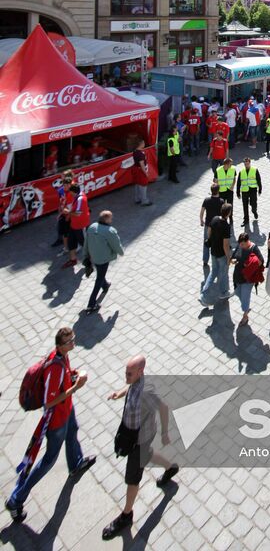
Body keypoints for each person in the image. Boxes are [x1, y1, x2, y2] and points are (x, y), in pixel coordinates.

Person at [5, 327, 96, 522]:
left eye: (73, 338)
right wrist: (75, 387)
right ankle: (16, 499)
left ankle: (76, 463)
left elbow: (66, 373)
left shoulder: (61, 356)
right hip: (56, 419)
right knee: (48, 460)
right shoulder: (54, 368)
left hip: (66, 410)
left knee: (73, 432)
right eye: (70, 341)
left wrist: (75, 373)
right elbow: (49, 401)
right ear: (60, 345)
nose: (74, 342)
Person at [102, 355, 179, 539]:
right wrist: (119, 394)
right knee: (149, 455)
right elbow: (129, 388)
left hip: (140, 440)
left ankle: (126, 515)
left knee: (132, 478)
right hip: (136, 437)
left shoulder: (146, 392)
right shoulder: (135, 382)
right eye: (126, 373)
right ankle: (171, 468)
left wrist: (165, 434)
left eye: (129, 373)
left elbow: (164, 408)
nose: (126, 376)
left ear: (140, 372)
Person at [84, 210, 124, 313]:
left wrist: (86, 255)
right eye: (111, 218)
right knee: (99, 278)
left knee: (101, 273)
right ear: (106, 219)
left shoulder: (92, 227)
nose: (112, 219)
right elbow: (116, 244)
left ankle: (105, 285)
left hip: (94, 256)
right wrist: (121, 252)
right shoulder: (110, 230)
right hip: (103, 258)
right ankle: (91, 304)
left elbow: (86, 242)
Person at [199, 203, 232, 306]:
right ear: (228, 213)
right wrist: (228, 257)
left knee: (213, 272)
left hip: (213, 251)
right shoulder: (226, 226)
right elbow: (225, 245)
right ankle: (224, 292)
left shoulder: (214, 219)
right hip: (221, 254)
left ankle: (203, 294)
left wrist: (212, 240)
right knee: (223, 273)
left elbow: (209, 232)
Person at [230, 231, 265, 325]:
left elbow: (261, 261)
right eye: (240, 244)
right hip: (237, 276)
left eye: (243, 244)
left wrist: (250, 264)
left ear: (248, 241)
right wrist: (233, 260)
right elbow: (234, 256)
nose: (241, 246)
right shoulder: (240, 245)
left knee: (245, 297)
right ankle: (246, 307)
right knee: (237, 293)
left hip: (248, 279)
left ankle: (245, 316)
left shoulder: (254, 248)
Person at [62, 182, 90, 268]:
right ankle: (73, 260)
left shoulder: (80, 199)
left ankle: (90, 259)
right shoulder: (77, 197)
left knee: (84, 244)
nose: (69, 193)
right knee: (71, 243)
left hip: (81, 226)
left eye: (70, 192)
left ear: (74, 192)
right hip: (74, 225)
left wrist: (68, 212)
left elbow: (78, 213)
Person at [199, 184, 223, 266]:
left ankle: (205, 260)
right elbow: (223, 214)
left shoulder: (206, 200)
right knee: (217, 242)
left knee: (206, 242)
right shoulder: (221, 201)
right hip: (217, 226)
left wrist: (201, 220)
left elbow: (202, 211)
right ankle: (216, 259)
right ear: (218, 191)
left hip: (208, 225)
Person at [235, 157, 261, 226]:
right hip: (244, 191)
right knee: (245, 205)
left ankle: (254, 211)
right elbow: (238, 183)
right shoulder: (241, 172)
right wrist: (237, 192)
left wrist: (260, 189)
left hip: (253, 190)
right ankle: (246, 219)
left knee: (254, 204)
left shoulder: (255, 170)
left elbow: (259, 180)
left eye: (247, 163)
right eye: (245, 164)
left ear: (250, 163)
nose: (246, 165)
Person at [132, 139, 152, 206]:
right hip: (140, 171)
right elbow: (142, 164)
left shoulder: (135, 151)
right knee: (143, 185)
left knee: (137, 184)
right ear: (141, 144)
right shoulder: (140, 154)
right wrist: (146, 173)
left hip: (136, 169)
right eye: (143, 142)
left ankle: (137, 199)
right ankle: (144, 201)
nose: (144, 143)